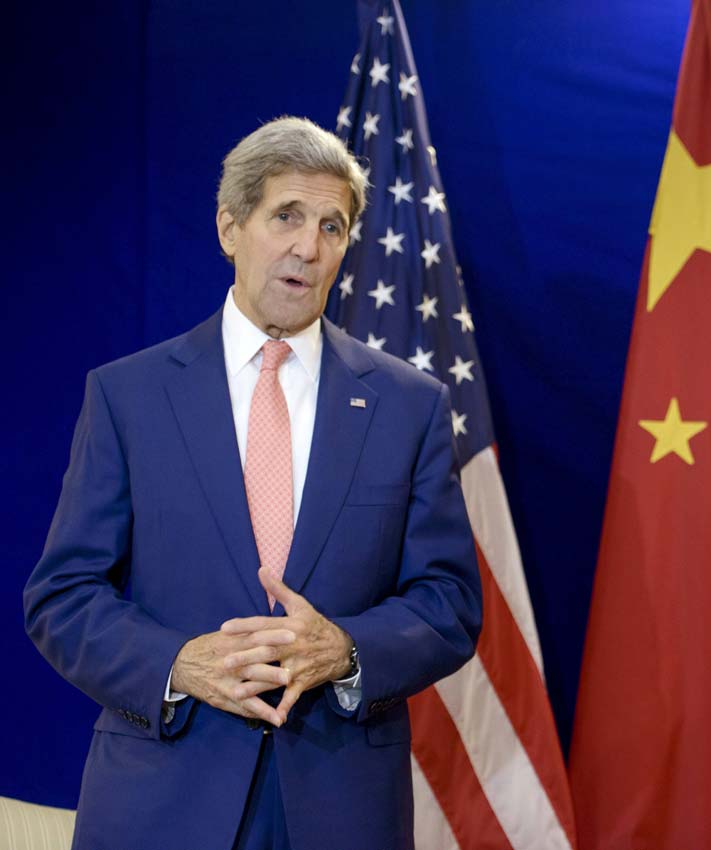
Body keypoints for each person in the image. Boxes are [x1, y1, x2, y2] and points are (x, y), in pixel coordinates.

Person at [24, 116, 482, 850]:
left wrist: (347, 649)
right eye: (286, 217)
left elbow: (449, 602)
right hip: (164, 800)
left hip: (340, 806)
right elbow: (63, 596)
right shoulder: (129, 396)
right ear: (230, 228)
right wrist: (178, 665)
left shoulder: (409, 405)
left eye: (332, 226)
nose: (309, 247)